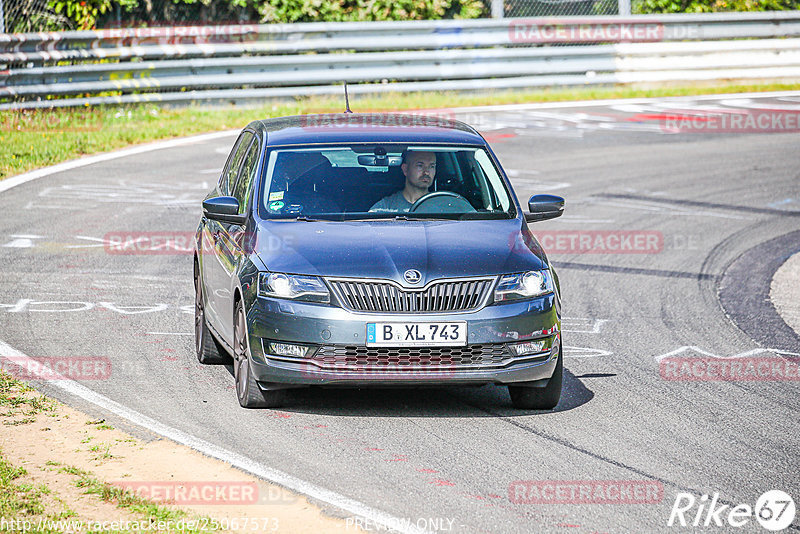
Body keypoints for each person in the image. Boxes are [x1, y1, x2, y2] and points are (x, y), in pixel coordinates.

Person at [369, 151, 436, 213]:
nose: (426, 172)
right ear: (405, 169)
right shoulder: (385, 208)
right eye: (420, 166)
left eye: (431, 166)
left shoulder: (442, 206)